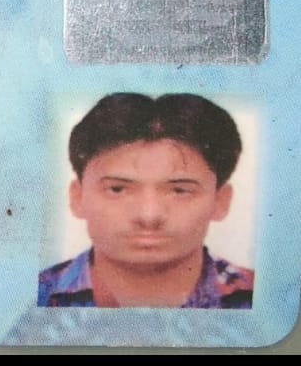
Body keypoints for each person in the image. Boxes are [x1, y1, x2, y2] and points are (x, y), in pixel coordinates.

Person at [38, 93, 254, 308]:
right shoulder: (32, 297)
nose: (149, 215)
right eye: (117, 189)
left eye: (180, 190)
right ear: (77, 197)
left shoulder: (262, 298)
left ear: (221, 201)